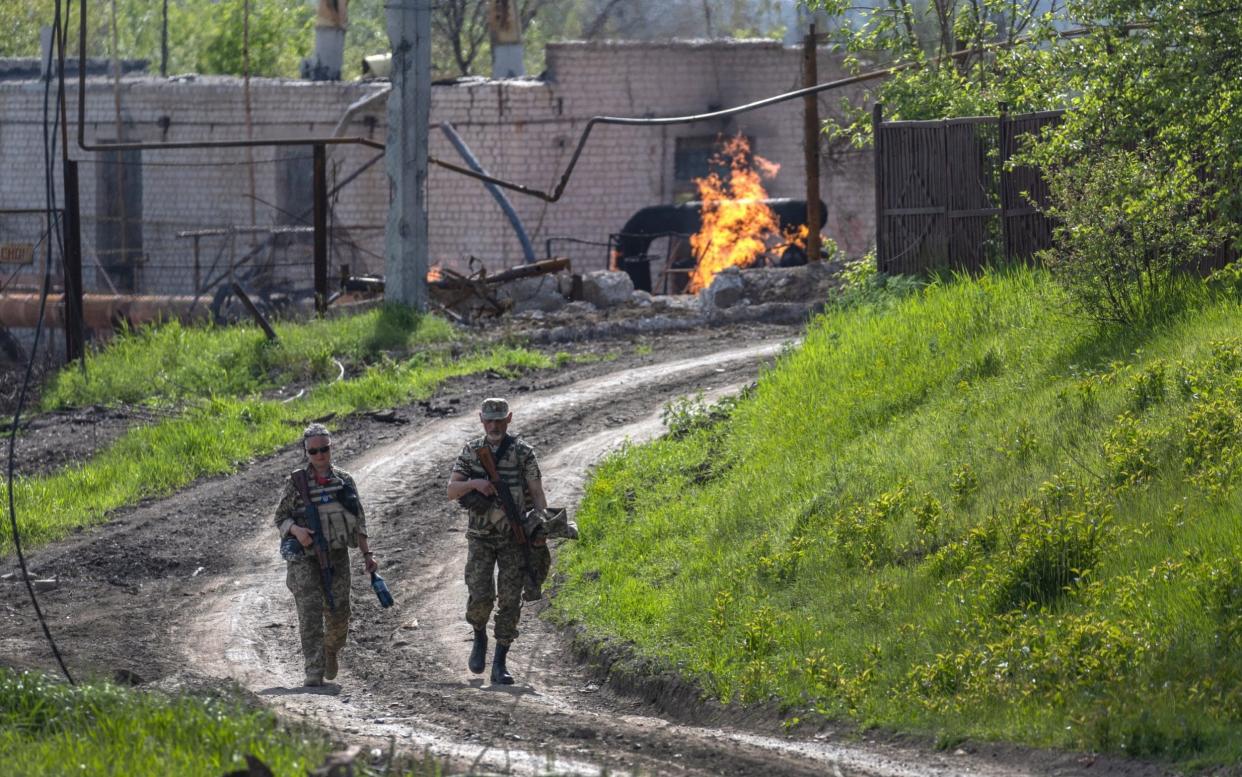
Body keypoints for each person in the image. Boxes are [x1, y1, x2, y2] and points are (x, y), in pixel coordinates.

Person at [446, 397, 548, 685]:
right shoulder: (472, 451)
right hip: (480, 537)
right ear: (481, 420)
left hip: (513, 539)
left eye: (499, 420)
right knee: (479, 595)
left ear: (509, 419)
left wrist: (539, 524)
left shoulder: (523, 453)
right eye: (489, 420)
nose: (494, 425)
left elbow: (537, 493)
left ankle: (500, 661)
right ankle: (479, 634)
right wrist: (475, 484)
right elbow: (452, 490)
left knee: (511, 600)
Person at [273, 423, 378, 687]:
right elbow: (280, 518)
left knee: (339, 612)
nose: (320, 455)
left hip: (336, 556)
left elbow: (359, 521)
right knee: (309, 613)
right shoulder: (296, 483)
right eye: (314, 451)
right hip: (304, 558)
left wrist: (367, 556)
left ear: (331, 449)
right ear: (306, 452)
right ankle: (314, 669)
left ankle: (332, 649)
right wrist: (297, 531)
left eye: (324, 449)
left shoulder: (343, 481)